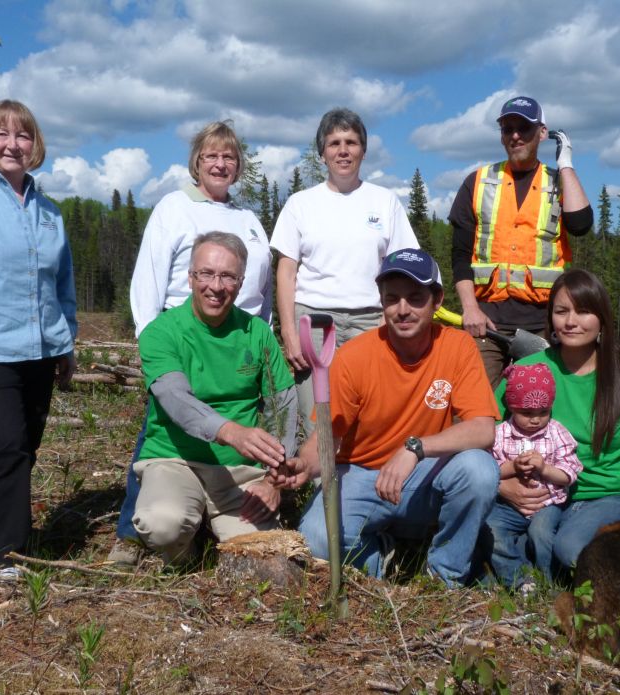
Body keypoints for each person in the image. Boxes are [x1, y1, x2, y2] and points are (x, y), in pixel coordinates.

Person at [271, 248, 500, 587]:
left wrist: (415, 448)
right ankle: (382, 557)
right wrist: (304, 465)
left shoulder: (458, 347)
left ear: (437, 301)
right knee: (317, 541)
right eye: (392, 299)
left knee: (479, 470)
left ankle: (443, 577)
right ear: (381, 301)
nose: (403, 310)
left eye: (415, 298)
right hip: (362, 475)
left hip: (422, 477)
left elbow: (483, 429)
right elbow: (329, 437)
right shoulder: (354, 357)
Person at [109, 121, 273, 565]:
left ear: (238, 166)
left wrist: (265, 338)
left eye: (229, 157)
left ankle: (216, 513)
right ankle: (130, 533)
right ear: (196, 162)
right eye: (211, 156)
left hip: (239, 341)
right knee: (166, 433)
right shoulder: (174, 207)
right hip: (182, 341)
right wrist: (151, 341)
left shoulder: (248, 220)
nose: (220, 164)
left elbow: (264, 285)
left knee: (229, 443)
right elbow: (149, 277)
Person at [486, 268, 620, 577]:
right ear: (551, 318)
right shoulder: (527, 370)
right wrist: (503, 485)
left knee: (570, 549)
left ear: (602, 318)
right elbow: (484, 432)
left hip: (610, 491)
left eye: (584, 311)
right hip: (548, 491)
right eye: (561, 311)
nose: (571, 321)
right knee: (482, 525)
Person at [132, 232, 297, 565]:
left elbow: (283, 406)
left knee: (266, 556)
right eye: (206, 273)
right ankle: (184, 554)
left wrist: (273, 480)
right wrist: (231, 432)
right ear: (190, 277)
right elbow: (175, 399)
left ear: (240, 282)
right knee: (162, 524)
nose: (216, 286)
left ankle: (217, 523)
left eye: (227, 276)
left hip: (240, 471)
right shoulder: (161, 332)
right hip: (174, 459)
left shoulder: (257, 332)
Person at [270, 107, 418, 435]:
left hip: (372, 320)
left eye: (351, 142)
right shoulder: (300, 204)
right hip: (314, 323)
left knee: (372, 417)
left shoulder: (384, 202)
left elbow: (403, 268)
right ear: (322, 153)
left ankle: (366, 485)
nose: (343, 150)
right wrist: (290, 333)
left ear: (363, 150)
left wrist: (388, 322)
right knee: (319, 421)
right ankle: (326, 484)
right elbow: (286, 271)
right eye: (334, 142)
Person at [450, 96, 593, 388]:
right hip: (487, 322)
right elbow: (460, 255)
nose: (515, 135)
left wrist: (565, 164)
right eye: (507, 129)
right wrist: (470, 309)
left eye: (524, 128)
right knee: (478, 406)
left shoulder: (558, 182)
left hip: (542, 324)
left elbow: (581, 225)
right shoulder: (477, 182)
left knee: (538, 406)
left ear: (542, 133)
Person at [0, 100, 77, 580]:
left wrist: (66, 342)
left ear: (35, 145)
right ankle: (7, 555)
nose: (12, 144)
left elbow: (62, 284)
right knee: (6, 447)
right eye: (1, 134)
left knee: (24, 447)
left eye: (22, 135)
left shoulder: (50, 213)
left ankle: (11, 534)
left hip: (42, 349)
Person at [486, 362, 582, 591]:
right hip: (508, 504)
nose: (536, 419)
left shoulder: (557, 432)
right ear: (512, 407)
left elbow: (570, 473)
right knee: (490, 528)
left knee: (541, 533)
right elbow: (490, 469)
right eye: (526, 413)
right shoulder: (500, 435)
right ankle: (519, 579)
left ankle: (548, 581)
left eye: (543, 412)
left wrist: (545, 469)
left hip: (547, 503)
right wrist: (513, 467)